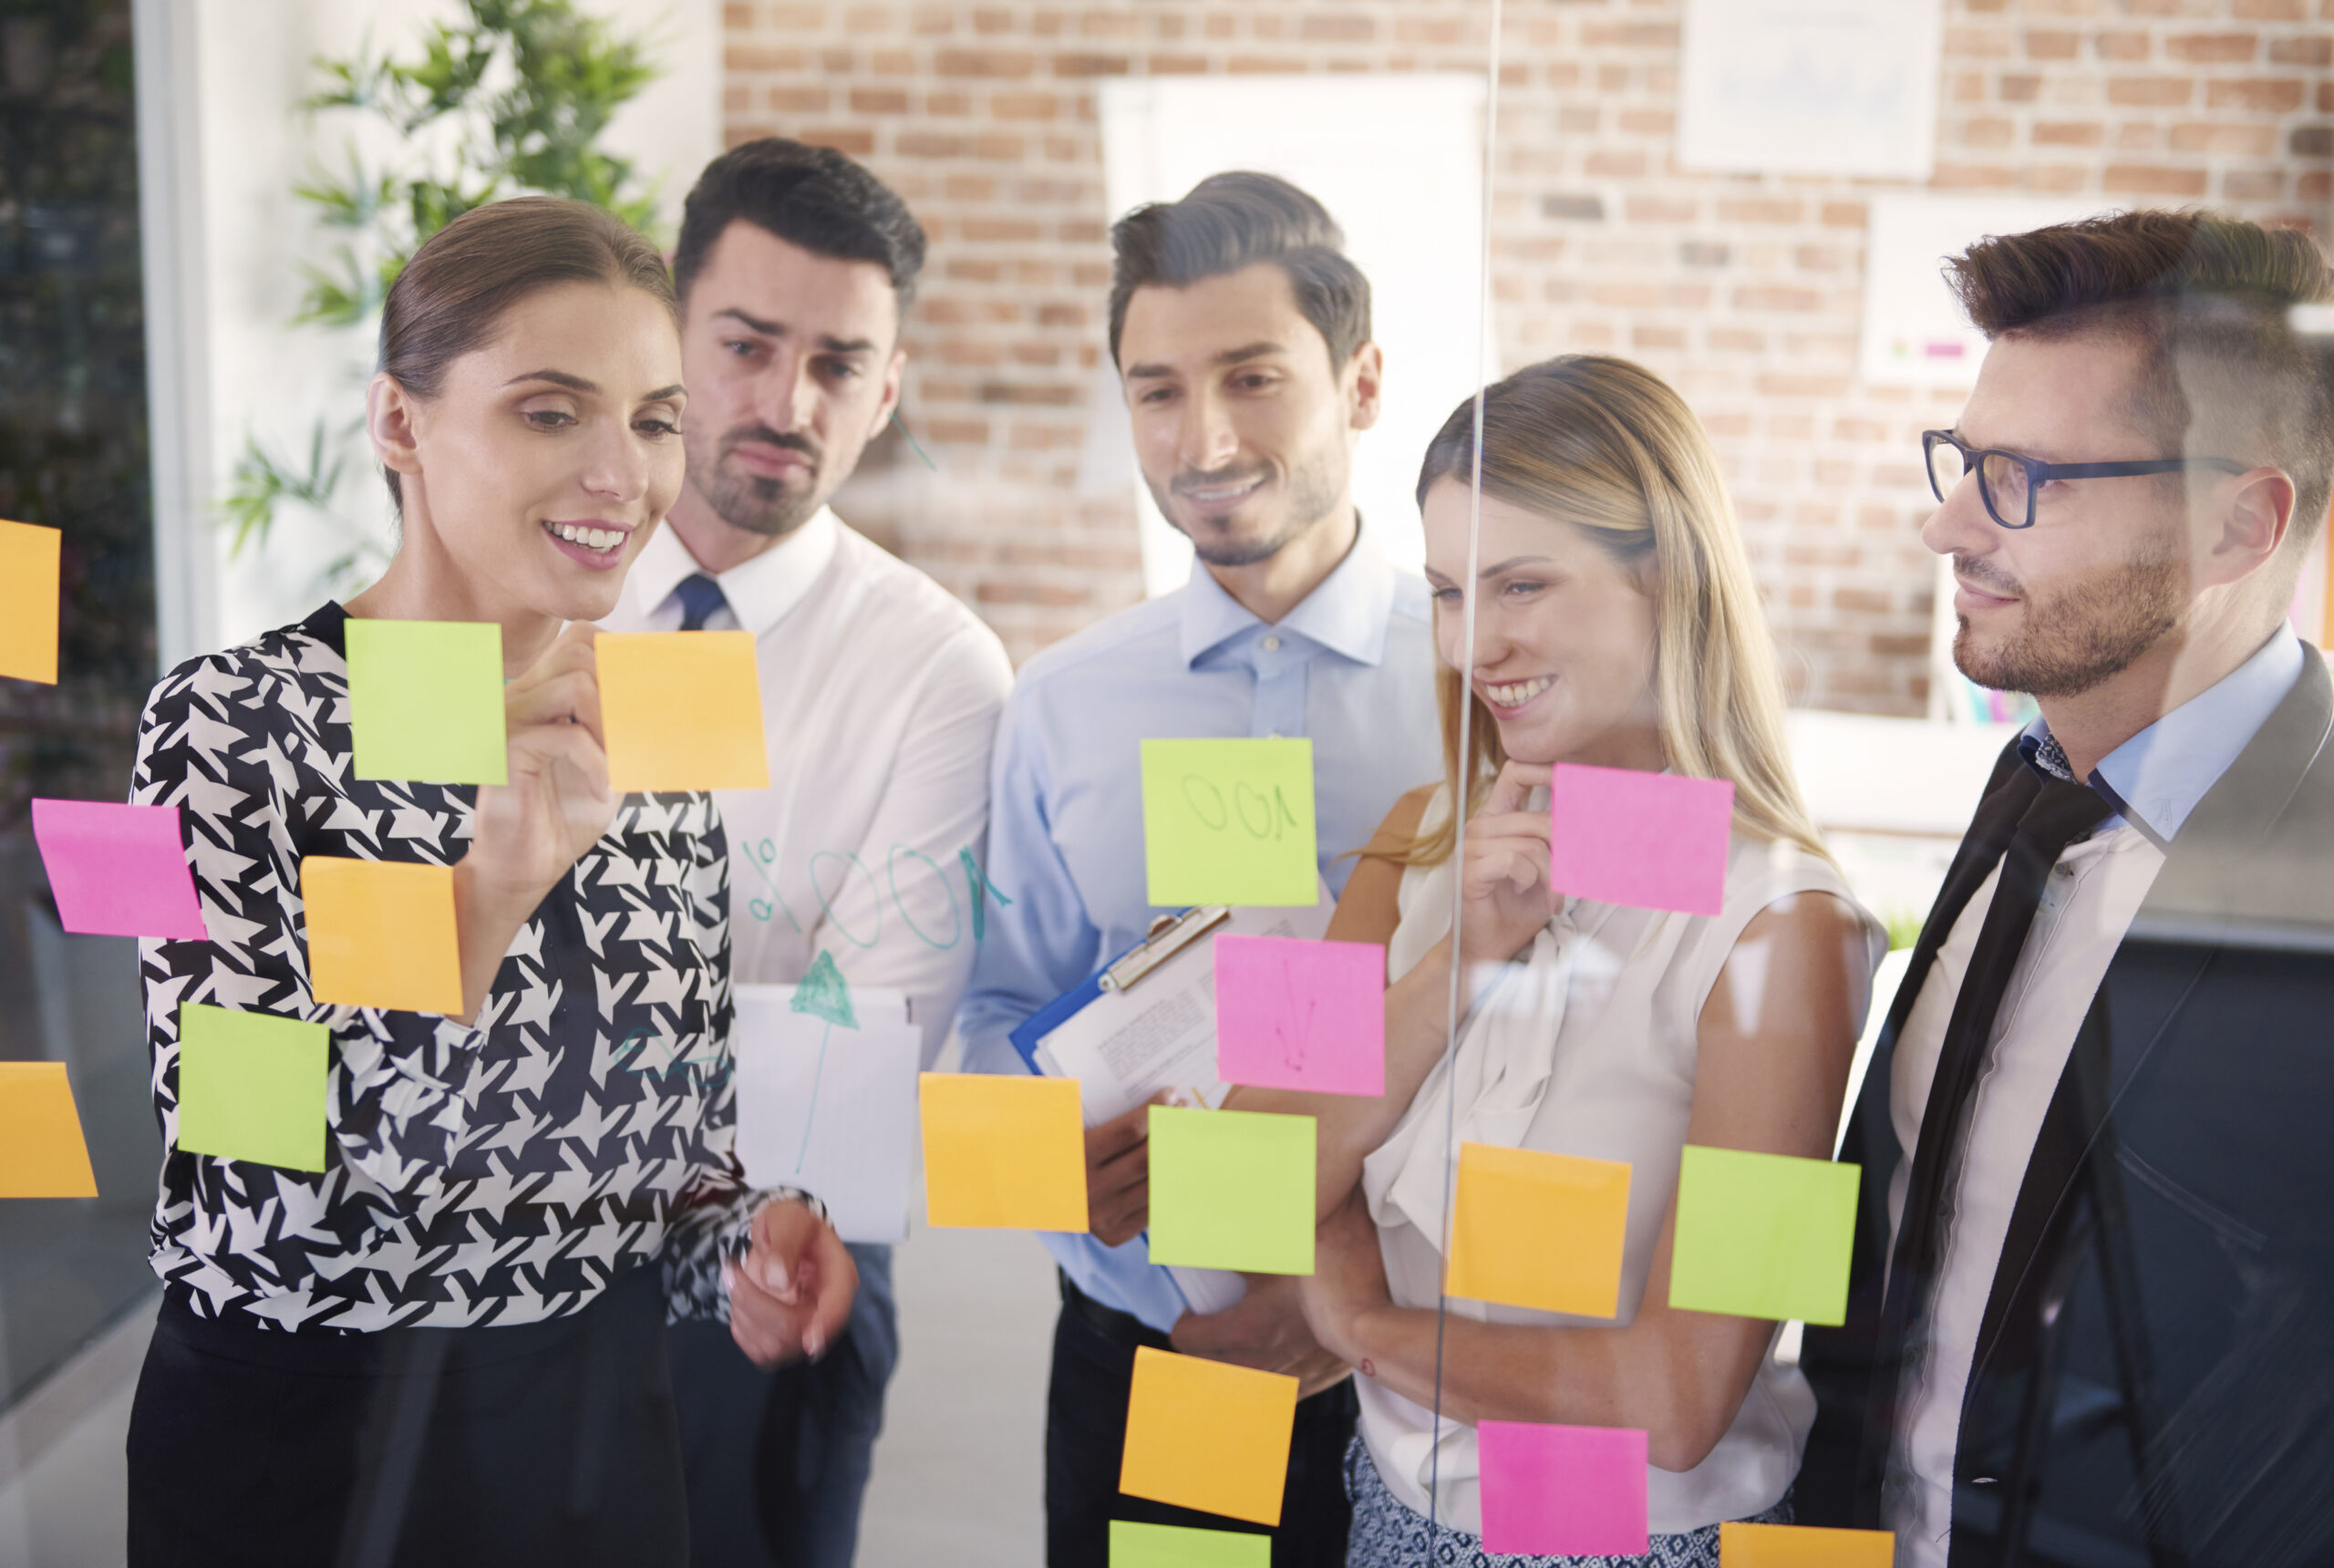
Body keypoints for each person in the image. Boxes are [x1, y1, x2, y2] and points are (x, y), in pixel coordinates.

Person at [122, 197, 855, 1568]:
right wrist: (484, 890)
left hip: (593, 1438)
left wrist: (749, 1244)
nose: (621, 476)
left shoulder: (652, 731)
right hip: (306, 1445)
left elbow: (668, 1172)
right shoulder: (230, 723)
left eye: (650, 419)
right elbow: (249, 1176)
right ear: (401, 424)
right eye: (548, 412)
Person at [1262, 356, 1884, 1567]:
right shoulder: (1415, 834)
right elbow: (1261, 1171)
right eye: (1447, 591)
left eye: (1524, 584)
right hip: (1389, 1508)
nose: (1476, 642)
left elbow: (1682, 1399)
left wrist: (1364, 1327)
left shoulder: (1788, 927)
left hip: (1639, 1547)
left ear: (1665, 579)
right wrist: (1461, 968)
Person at [1796, 211, 2334, 1565]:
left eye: (2023, 478)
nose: (1945, 525)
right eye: (1964, 463)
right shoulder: (2040, 770)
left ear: (2236, 526)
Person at [956, 171, 1441, 1566]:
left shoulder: (1487, 685)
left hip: (1433, 1367)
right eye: (1157, 390)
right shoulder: (1061, 702)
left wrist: (1348, 1304)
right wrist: (1055, 1157)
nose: (1204, 437)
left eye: (1253, 378)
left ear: (1359, 386)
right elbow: (997, 1007)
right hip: (1160, 1351)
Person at [602, 138, 1014, 1568]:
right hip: (503, 1265)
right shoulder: (526, 590)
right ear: (669, 334)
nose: (790, 402)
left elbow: (875, 1002)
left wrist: (768, 1228)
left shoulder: (939, 669)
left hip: (779, 1252)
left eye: (841, 363)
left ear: (888, 390)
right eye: (748, 345)